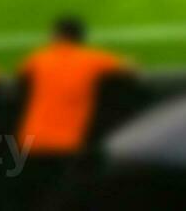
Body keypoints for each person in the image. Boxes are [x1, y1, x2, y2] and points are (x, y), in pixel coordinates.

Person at [17, 16, 132, 207]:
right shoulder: (92, 59)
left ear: (56, 36)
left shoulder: (37, 58)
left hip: (32, 142)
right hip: (67, 144)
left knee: (35, 199)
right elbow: (129, 68)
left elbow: (21, 78)